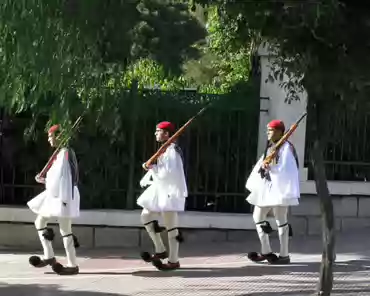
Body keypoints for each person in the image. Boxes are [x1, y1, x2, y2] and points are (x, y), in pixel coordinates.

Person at [27, 124, 80, 275]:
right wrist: (43, 179)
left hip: (63, 194)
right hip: (55, 194)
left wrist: (45, 180)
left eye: (52, 136)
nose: (49, 139)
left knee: (65, 229)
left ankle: (72, 264)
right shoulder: (61, 153)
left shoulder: (66, 154)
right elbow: (55, 177)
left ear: (61, 136)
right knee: (40, 221)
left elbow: (63, 179)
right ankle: (49, 256)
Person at [245, 119, 300, 264]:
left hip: (279, 188)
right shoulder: (272, 147)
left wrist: (271, 169)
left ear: (280, 132)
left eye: (271, 130)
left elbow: (287, 169)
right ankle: (269, 251)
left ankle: (281, 254)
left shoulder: (286, 147)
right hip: (269, 187)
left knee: (280, 220)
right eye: (268, 130)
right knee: (260, 217)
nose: (268, 133)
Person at [137, 121, 188, 271]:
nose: (155, 133)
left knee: (171, 228)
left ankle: (174, 260)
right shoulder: (165, 149)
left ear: (166, 134)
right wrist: (151, 167)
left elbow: (169, 174)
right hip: (159, 190)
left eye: (158, 131)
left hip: (169, 192)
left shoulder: (173, 150)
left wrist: (151, 167)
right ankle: (160, 249)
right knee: (145, 216)